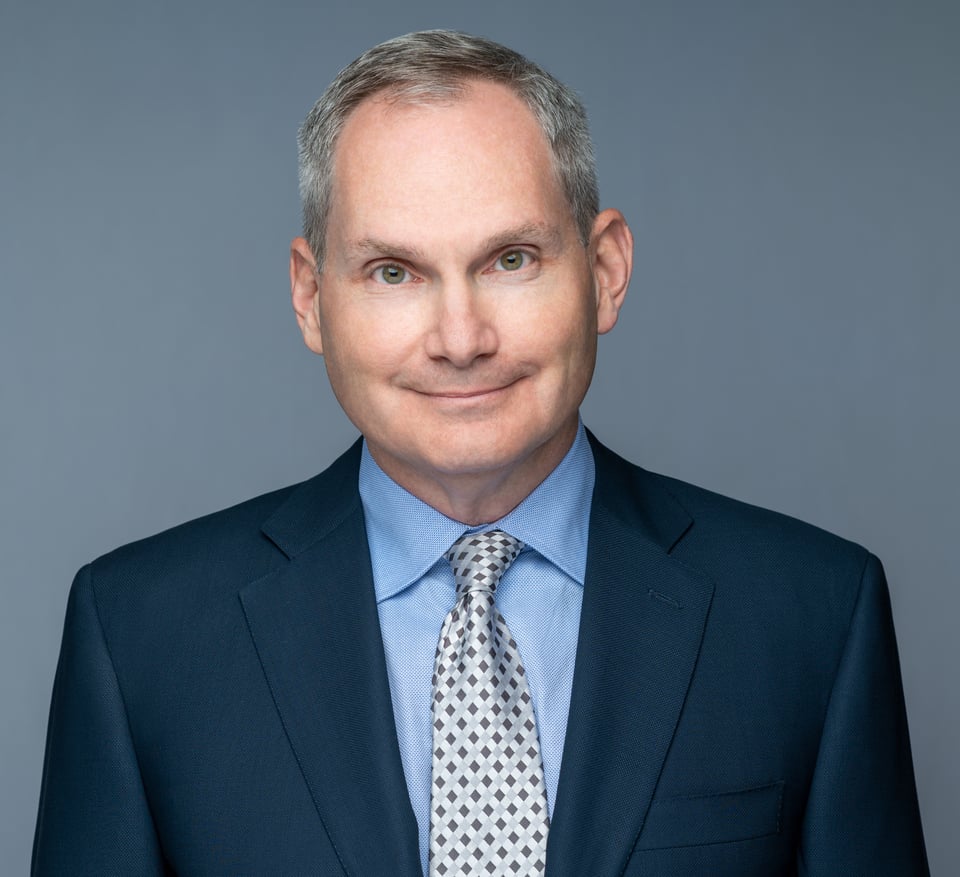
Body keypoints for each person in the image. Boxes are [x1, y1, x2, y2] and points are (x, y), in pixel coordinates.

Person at [33, 30, 927, 876]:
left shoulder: (812, 615)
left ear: (605, 270)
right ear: (310, 298)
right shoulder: (139, 637)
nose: (460, 338)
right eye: (394, 271)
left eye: (510, 259)